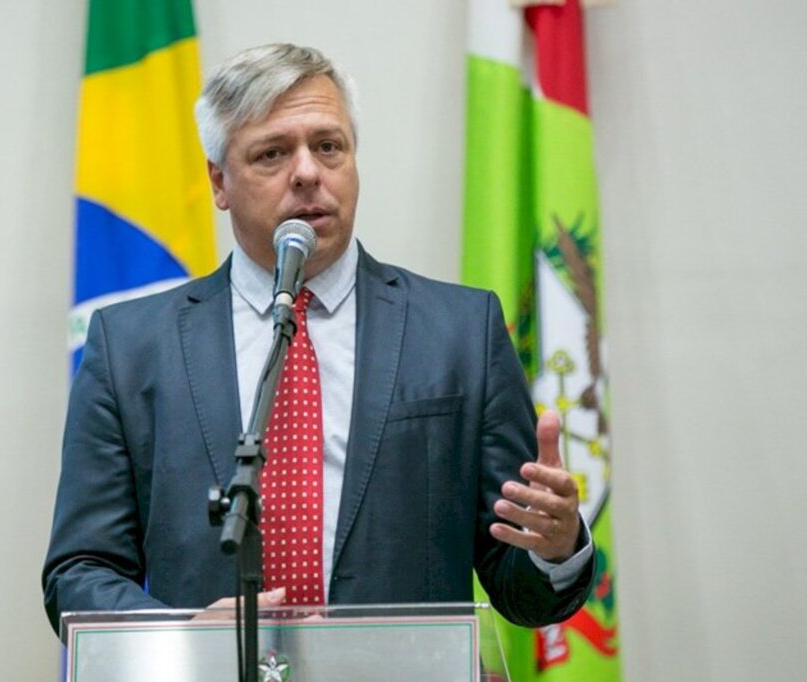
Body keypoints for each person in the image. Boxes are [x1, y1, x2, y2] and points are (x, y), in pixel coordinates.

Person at [42, 43, 593, 634]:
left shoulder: (462, 332)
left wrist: (554, 548)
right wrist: (183, 640)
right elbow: (80, 571)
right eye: (272, 153)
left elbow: (522, 591)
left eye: (328, 146)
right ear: (219, 181)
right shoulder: (130, 347)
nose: (307, 172)